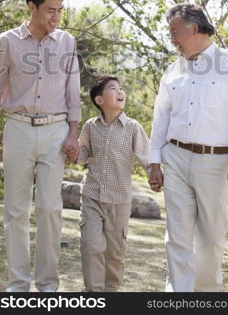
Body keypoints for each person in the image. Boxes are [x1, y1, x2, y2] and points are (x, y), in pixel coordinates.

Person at [148, 3, 228, 292]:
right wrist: (154, 161)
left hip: (217, 162)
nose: (172, 38)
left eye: (175, 32)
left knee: (211, 237)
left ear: (194, 28)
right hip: (177, 158)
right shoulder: (173, 70)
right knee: (177, 235)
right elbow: (161, 118)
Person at [0, 0, 80, 292]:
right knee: (15, 210)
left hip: (56, 130)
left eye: (60, 10)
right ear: (32, 7)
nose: (56, 16)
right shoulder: (7, 41)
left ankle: (48, 284)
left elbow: (72, 90)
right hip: (19, 128)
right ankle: (18, 284)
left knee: (50, 208)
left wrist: (73, 133)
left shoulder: (66, 42)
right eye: (51, 10)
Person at [65, 74, 150, 292]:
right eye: (113, 88)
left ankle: (111, 293)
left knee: (115, 252)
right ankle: (93, 294)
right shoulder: (91, 127)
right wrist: (74, 152)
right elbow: (83, 154)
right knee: (91, 246)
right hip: (92, 195)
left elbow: (146, 156)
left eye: (121, 88)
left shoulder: (132, 127)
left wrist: (155, 173)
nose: (120, 92)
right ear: (99, 100)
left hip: (120, 199)